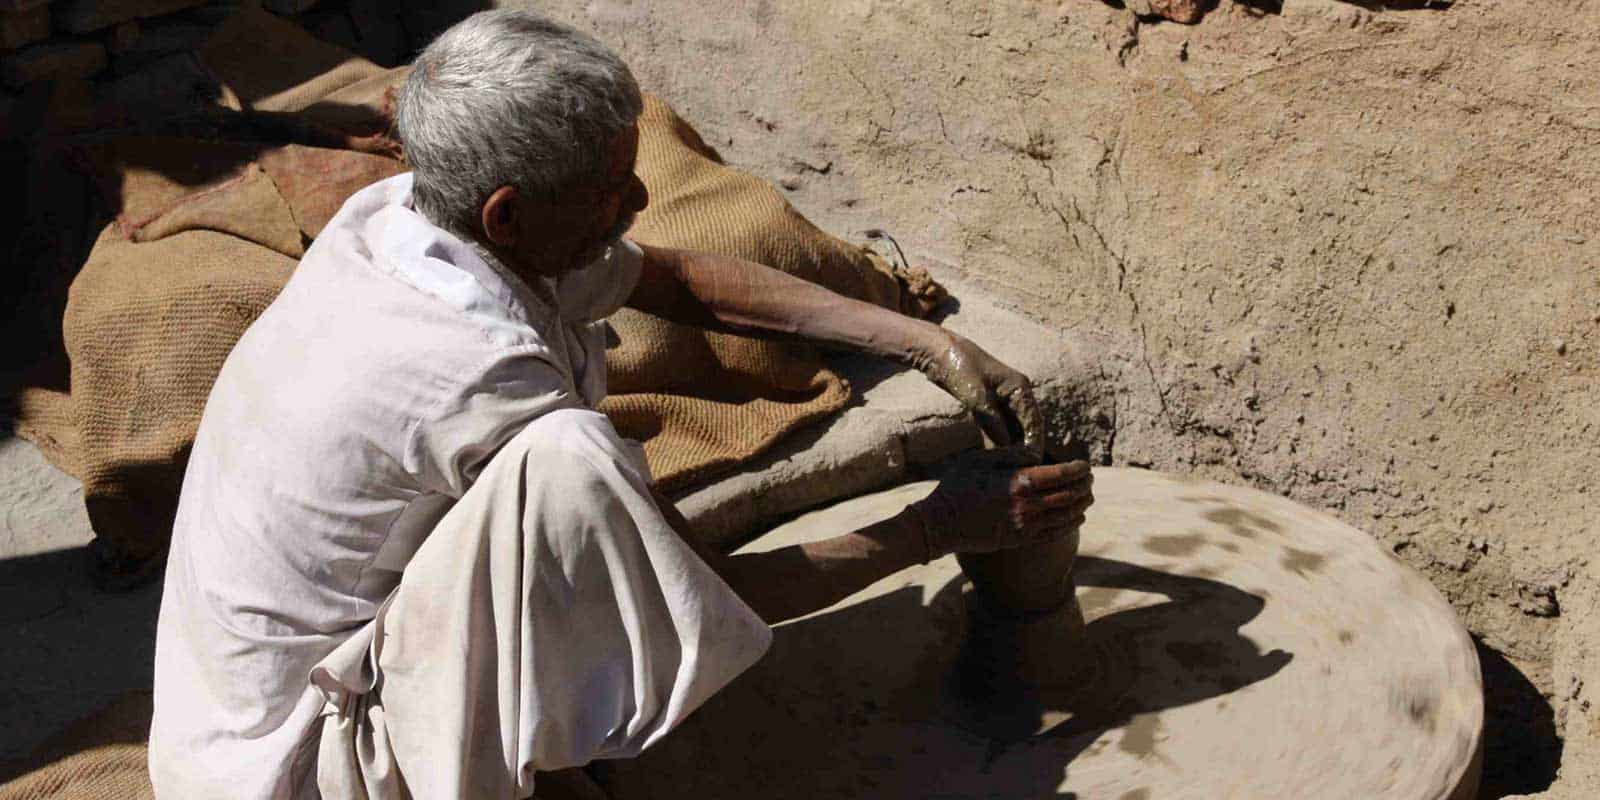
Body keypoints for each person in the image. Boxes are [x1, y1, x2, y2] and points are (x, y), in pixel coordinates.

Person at [148, 9, 1094, 799]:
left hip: (229, 704)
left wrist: (922, 338)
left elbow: (681, 281)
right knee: (589, 495)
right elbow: (708, 592)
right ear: (507, 213)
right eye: (610, 187)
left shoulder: (398, 218)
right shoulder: (487, 381)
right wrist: (939, 527)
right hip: (291, 768)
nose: (641, 197)